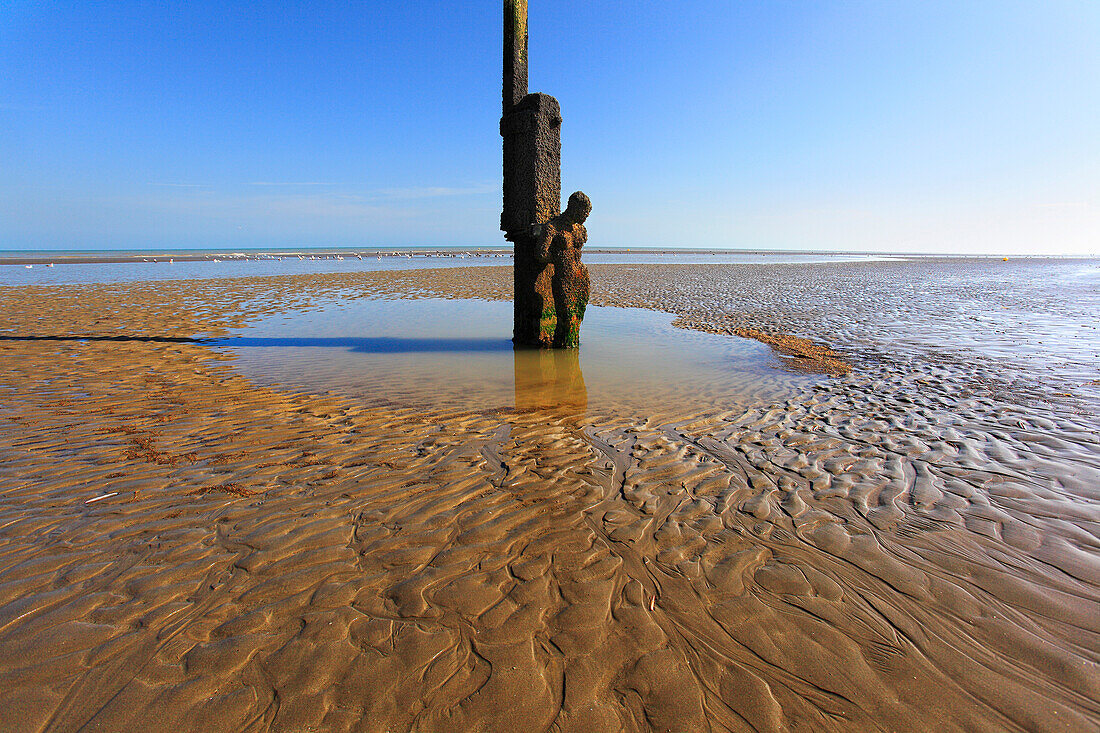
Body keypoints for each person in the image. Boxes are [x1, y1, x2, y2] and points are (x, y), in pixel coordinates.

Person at [535, 191, 592, 348]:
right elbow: (541, 253)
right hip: (564, 278)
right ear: (573, 208)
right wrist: (558, 259)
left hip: (581, 277)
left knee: (577, 317)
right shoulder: (553, 228)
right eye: (584, 212)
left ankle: (571, 351)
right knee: (566, 317)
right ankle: (563, 351)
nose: (586, 217)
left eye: (588, 213)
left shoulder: (581, 230)